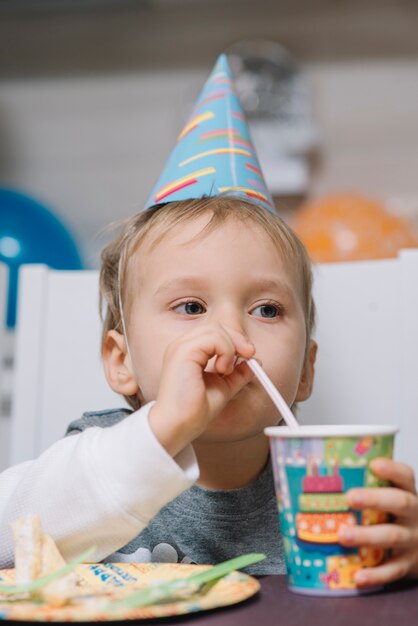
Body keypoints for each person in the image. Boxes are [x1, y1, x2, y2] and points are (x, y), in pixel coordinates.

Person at [1, 55, 418, 586]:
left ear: (307, 371)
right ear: (122, 361)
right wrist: (160, 432)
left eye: (266, 309)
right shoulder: (95, 458)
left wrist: (405, 557)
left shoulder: (330, 480)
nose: (231, 336)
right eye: (191, 307)